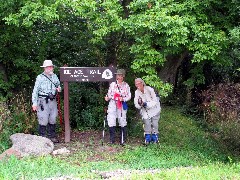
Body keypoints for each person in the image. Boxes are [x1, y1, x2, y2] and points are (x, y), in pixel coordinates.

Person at [32, 60, 61, 143]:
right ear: (44, 68)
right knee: (43, 119)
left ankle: (52, 136)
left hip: (53, 100)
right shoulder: (40, 77)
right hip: (42, 101)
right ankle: (42, 138)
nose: (50, 68)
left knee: (53, 118)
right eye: (48, 67)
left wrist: (58, 89)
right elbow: (35, 91)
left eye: (51, 67)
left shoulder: (55, 76)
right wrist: (34, 103)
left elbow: (59, 86)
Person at [104, 69, 131, 145]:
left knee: (122, 119)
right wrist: (107, 97)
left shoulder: (126, 85)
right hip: (112, 103)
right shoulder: (112, 84)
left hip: (121, 103)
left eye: (120, 75)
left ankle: (123, 140)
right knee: (111, 119)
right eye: (117, 75)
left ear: (123, 76)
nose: (119, 76)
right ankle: (112, 140)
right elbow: (109, 94)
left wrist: (123, 98)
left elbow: (129, 96)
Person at [134, 78, 161, 145]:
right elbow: (136, 104)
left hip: (155, 109)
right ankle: (147, 139)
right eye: (136, 84)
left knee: (154, 124)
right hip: (145, 111)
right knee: (147, 124)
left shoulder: (150, 89)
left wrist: (146, 104)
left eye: (139, 83)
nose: (137, 85)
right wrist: (140, 105)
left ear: (142, 83)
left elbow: (155, 101)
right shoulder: (136, 92)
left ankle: (155, 139)